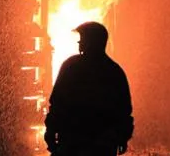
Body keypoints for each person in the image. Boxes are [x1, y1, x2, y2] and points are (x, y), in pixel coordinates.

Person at [44, 21, 134, 156]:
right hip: (102, 145)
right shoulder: (114, 71)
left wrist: (51, 131)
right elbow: (123, 110)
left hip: (72, 141)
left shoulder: (71, 67)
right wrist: (122, 137)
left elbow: (57, 103)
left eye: (82, 39)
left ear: (90, 42)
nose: (79, 43)